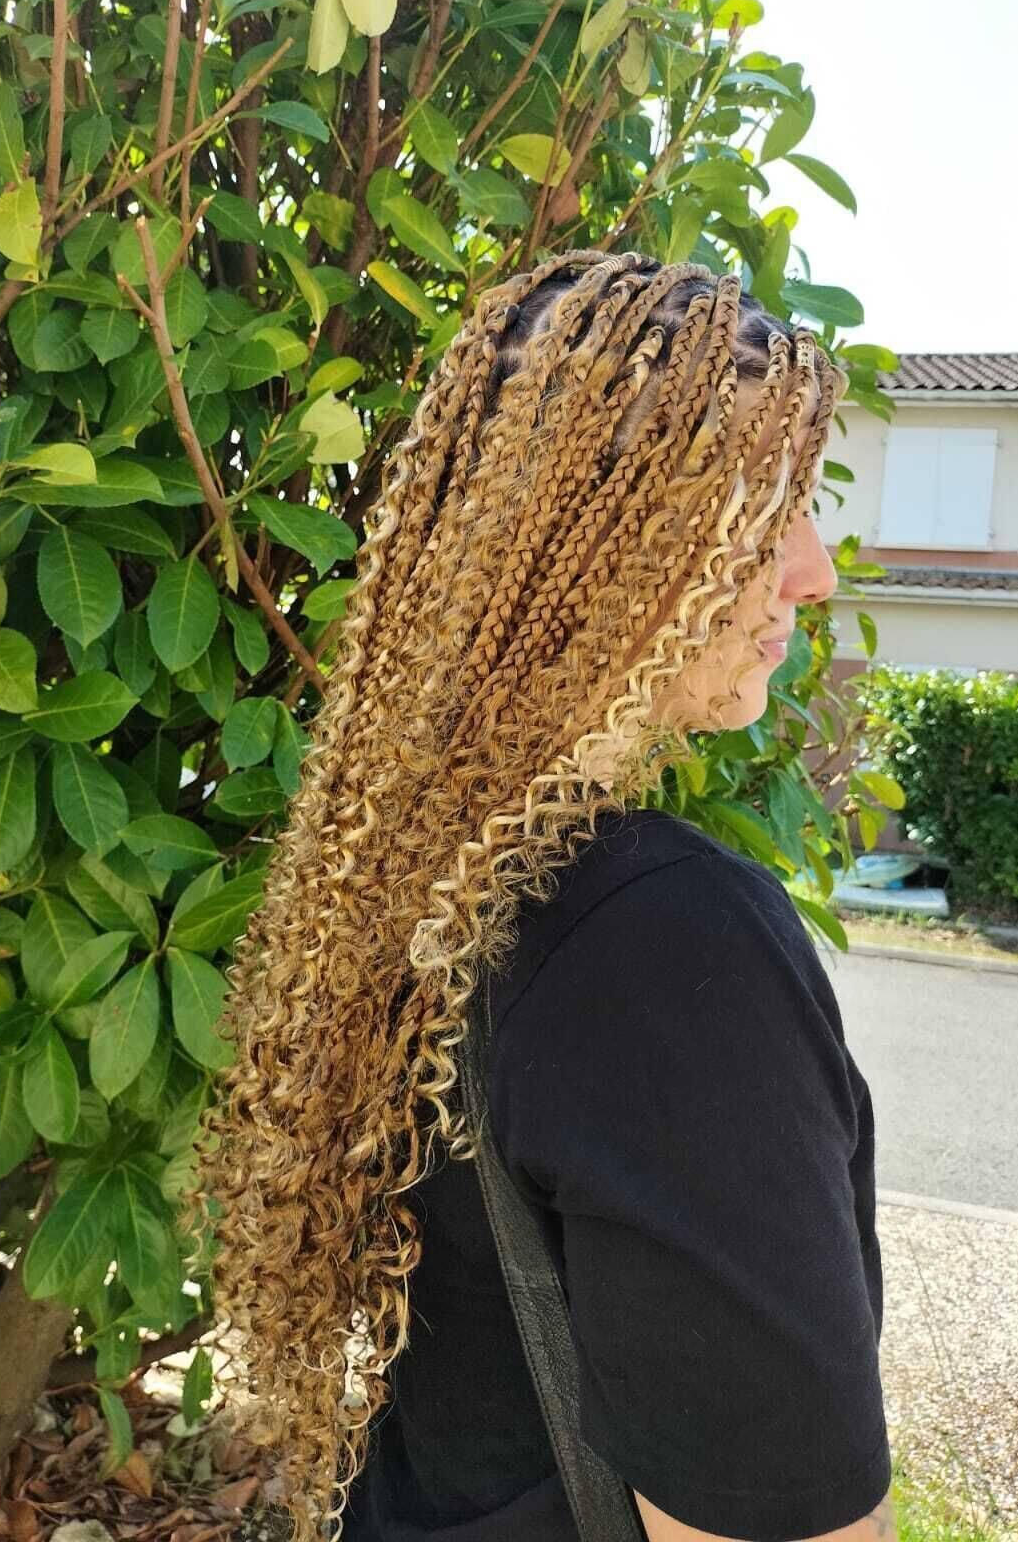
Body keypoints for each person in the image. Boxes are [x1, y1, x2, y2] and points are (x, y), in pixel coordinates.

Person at [193, 251, 895, 1542]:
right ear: (607, 535)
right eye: (763, 506)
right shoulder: (665, 949)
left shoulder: (421, 865)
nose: (813, 571)